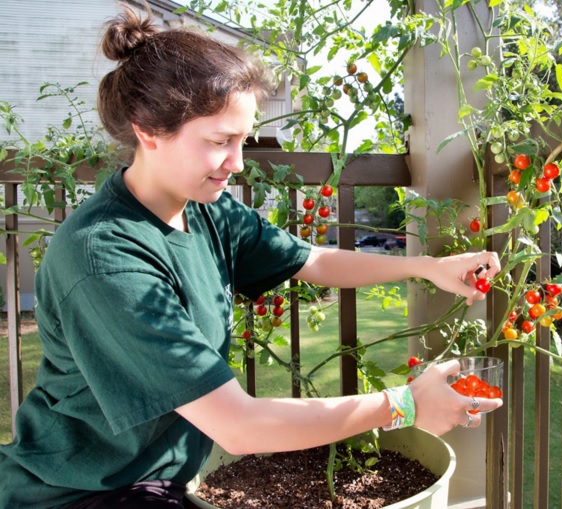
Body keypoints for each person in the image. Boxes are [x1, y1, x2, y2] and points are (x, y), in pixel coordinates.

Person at [0, 5, 502, 508]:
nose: (237, 164)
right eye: (221, 141)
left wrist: (425, 268)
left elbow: (314, 260)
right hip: (81, 492)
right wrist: (405, 404)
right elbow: (238, 426)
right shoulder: (106, 257)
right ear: (148, 131)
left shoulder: (206, 213)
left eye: (243, 140)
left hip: (161, 478)